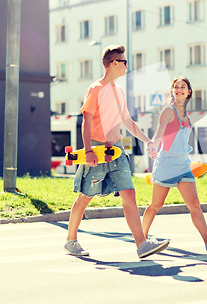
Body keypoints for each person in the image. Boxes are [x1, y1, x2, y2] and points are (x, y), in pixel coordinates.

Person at [64, 44, 170, 259]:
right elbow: (86, 121)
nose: (127, 66)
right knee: (86, 196)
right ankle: (70, 240)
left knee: (129, 193)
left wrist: (147, 140)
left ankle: (142, 244)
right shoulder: (96, 89)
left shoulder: (119, 90)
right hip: (97, 149)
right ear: (114, 63)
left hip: (117, 150)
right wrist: (88, 150)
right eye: (124, 62)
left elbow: (127, 121)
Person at [142, 77, 207, 253]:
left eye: (183, 87)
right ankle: (141, 240)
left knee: (194, 203)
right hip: (167, 162)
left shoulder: (185, 115)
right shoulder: (168, 110)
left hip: (183, 164)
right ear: (172, 91)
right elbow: (158, 133)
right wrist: (153, 146)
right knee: (156, 205)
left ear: (189, 92)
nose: (179, 89)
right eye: (176, 87)